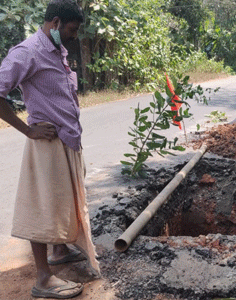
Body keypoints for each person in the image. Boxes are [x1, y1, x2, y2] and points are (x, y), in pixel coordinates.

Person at [0, 0, 100, 298]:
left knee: (63, 199)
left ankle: (59, 249)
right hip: (47, 144)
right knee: (43, 207)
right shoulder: (27, 52)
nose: (74, 35)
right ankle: (43, 278)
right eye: (71, 29)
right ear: (55, 23)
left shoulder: (59, 51)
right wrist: (27, 130)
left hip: (68, 141)